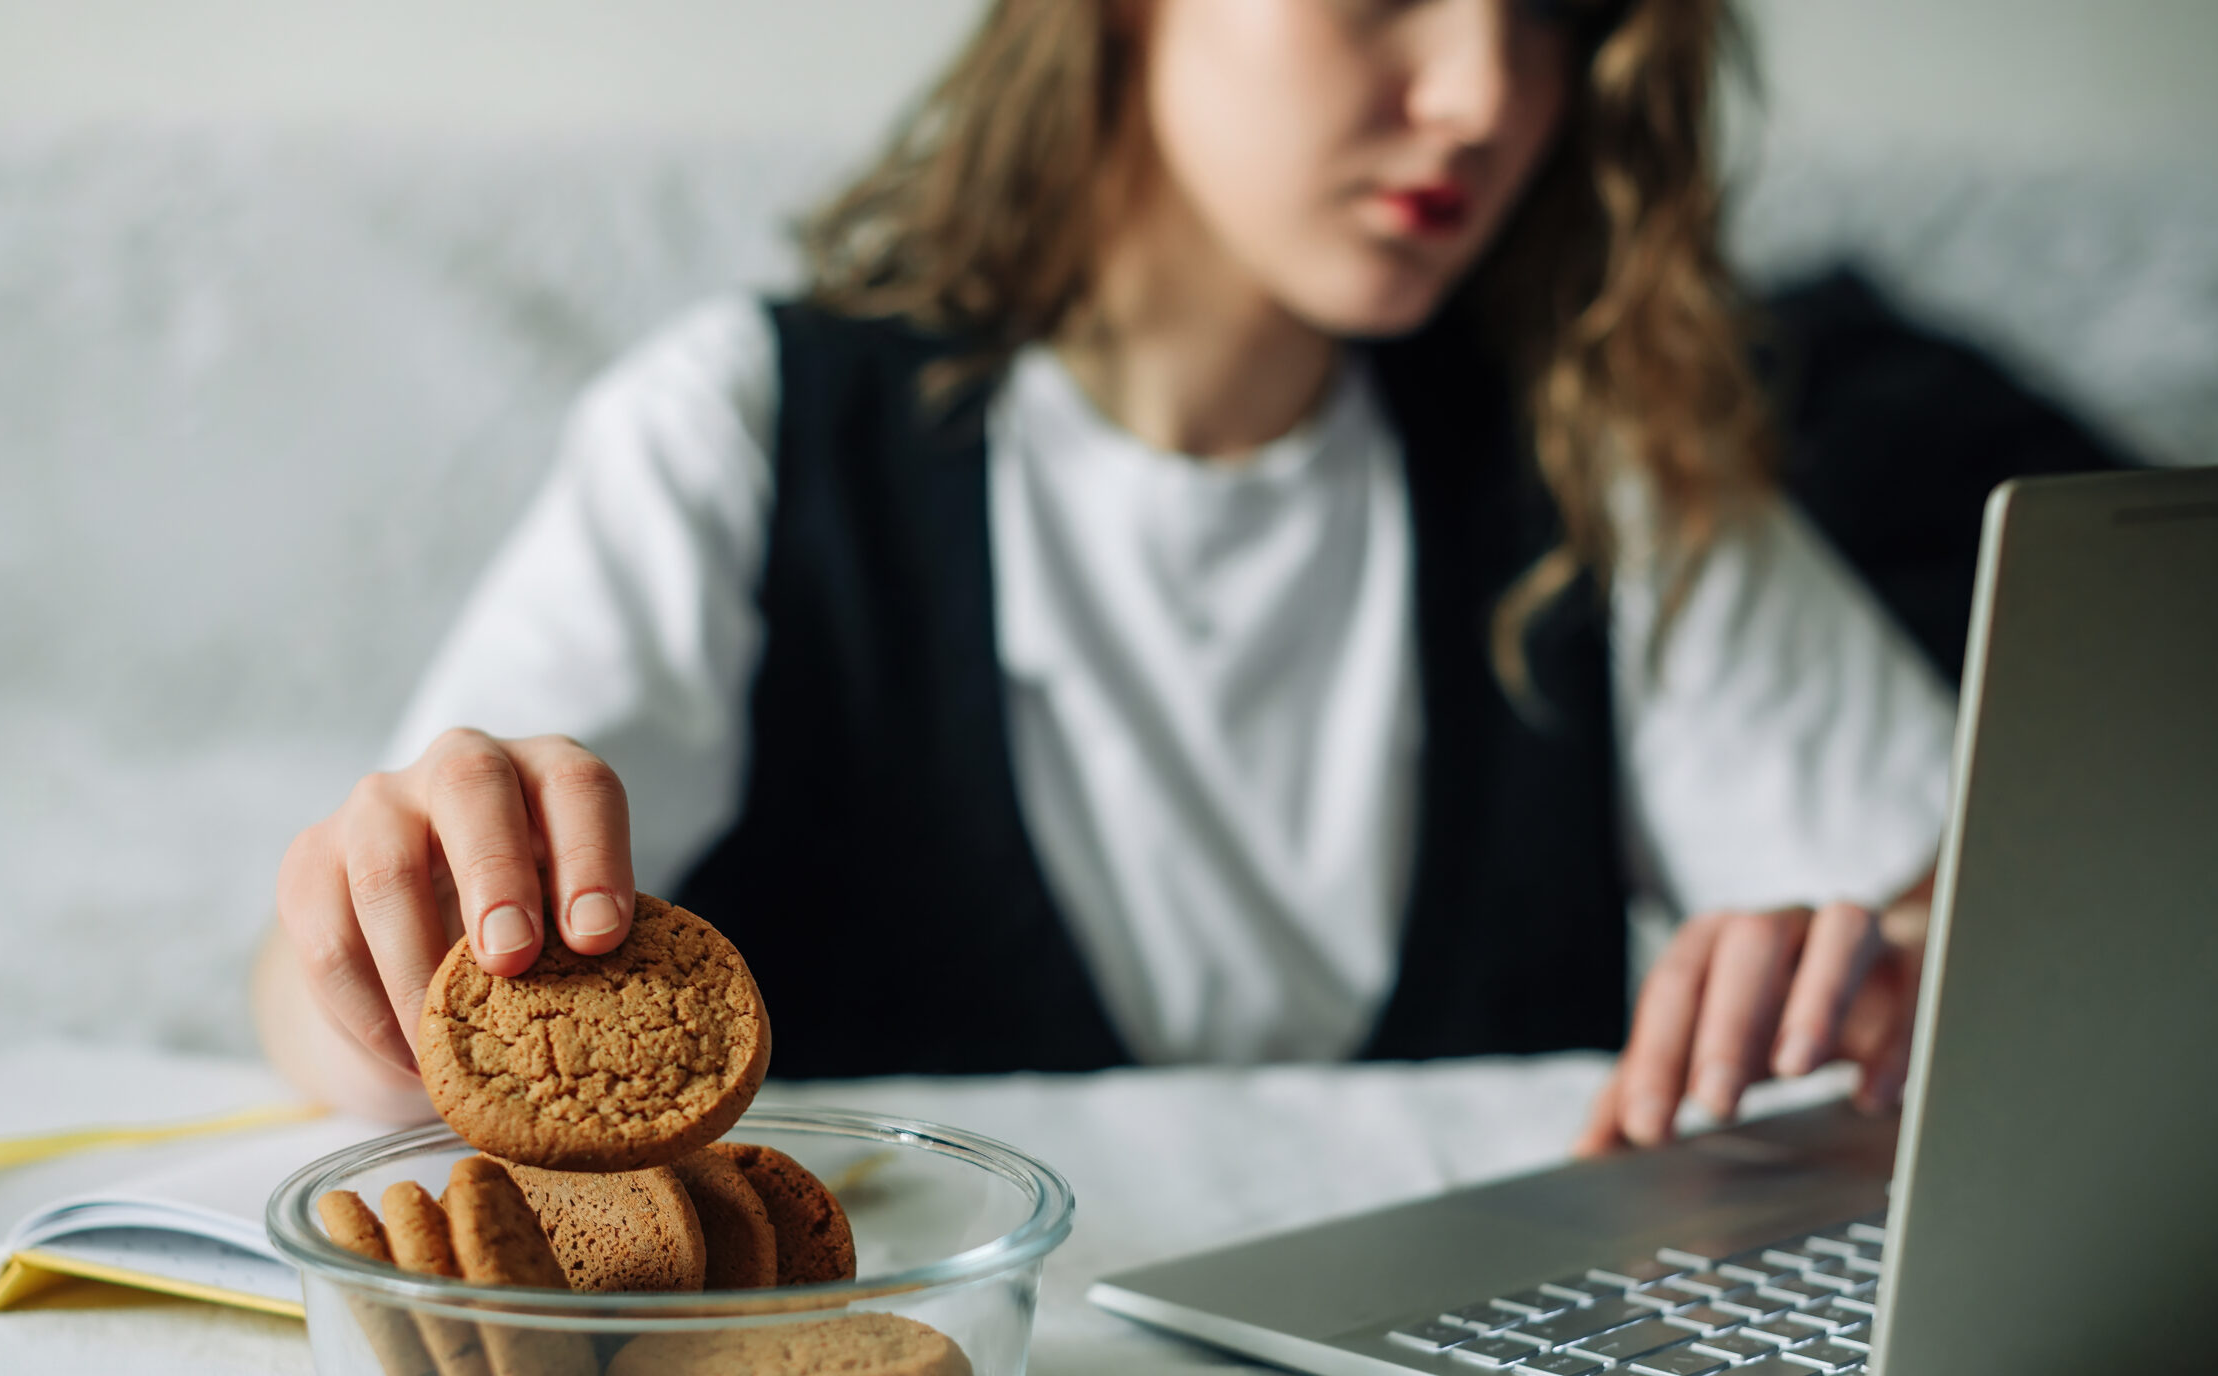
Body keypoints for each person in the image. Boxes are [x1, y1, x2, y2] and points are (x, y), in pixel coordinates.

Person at [253, 0, 1951, 1157]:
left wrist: (1899, 985)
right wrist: (376, 949)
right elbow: (343, 992)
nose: (1488, 93)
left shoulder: (1603, 471)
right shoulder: (746, 432)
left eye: (1556, 12)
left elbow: (1978, 922)